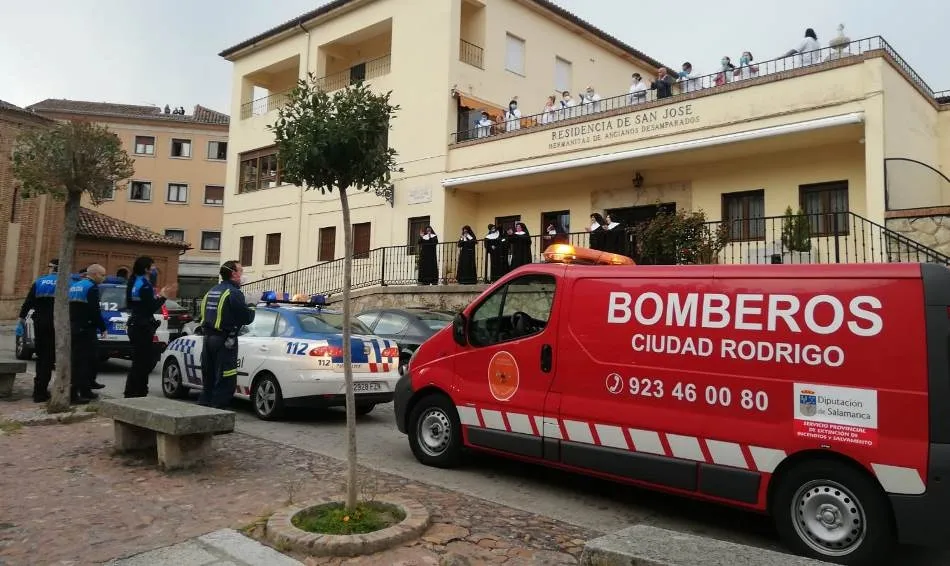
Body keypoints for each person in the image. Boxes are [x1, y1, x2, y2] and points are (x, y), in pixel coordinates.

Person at [198, 261, 255, 409]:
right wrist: (252, 305)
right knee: (226, 377)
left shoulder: (212, 291)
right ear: (234, 274)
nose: (242, 275)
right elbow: (246, 318)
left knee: (209, 376)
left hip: (208, 339)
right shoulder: (234, 293)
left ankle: (204, 406)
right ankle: (217, 412)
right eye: (241, 271)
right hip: (225, 340)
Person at [124, 256, 176, 398]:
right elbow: (151, 307)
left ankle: (134, 390)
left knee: (138, 361)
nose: (154, 269)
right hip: (142, 326)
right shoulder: (145, 285)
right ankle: (137, 391)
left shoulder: (133, 282)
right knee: (144, 362)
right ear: (147, 269)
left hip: (134, 324)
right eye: (152, 266)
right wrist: (163, 296)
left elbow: (131, 304)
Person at [18, 258, 60, 402]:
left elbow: (28, 303)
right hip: (58, 324)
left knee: (42, 358)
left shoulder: (39, 282)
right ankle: (51, 391)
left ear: (52, 268)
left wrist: (22, 319)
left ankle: (39, 391)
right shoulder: (66, 283)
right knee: (53, 358)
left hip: (40, 323)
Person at [68, 264, 108, 404]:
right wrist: (102, 327)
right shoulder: (92, 288)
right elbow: (94, 311)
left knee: (83, 360)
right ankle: (74, 395)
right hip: (86, 329)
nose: (104, 278)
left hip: (74, 327)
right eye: (102, 275)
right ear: (95, 274)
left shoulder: (76, 285)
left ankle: (85, 390)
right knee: (83, 362)